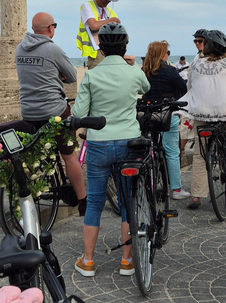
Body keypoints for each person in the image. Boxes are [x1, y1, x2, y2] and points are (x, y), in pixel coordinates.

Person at [72, 22, 150, 277]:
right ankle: (127, 261)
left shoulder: (92, 75)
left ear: (101, 48)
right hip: (129, 141)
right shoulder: (133, 71)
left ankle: (88, 260)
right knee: (128, 201)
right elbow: (145, 88)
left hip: (99, 143)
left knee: (94, 201)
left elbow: (79, 113)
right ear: (125, 45)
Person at [16, 12, 87, 214]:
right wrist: (58, 75)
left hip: (28, 111)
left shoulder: (19, 49)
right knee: (69, 155)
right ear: (50, 28)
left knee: (32, 155)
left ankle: (28, 196)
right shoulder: (52, 49)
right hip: (53, 110)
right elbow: (72, 77)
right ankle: (82, 200)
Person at [179, 29, 226, 209]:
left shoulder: (194, 65)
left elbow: (190, 87)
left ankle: (196, 195)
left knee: (200, 152)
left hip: (202, 113)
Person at [141, 40, 189, 200]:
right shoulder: (169, 71)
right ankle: (175, 189)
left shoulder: (144, 71)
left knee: (149, 148)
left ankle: (149, 183)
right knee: (172, 152)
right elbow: (183, 87)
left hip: (148, 115)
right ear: (162, 54)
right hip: (168, 114)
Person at [76, 0, 120, 69]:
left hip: (111, 53)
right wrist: (111, 21)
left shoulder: (111, 12)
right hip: (96, 53)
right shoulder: (87, 5)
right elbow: (93, 26)